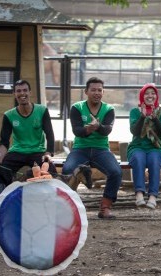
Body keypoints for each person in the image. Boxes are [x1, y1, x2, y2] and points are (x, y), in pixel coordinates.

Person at [62, 77, 122, 219]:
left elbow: (107, 130)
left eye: (99, 90)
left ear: (103, 92)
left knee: (116, 172)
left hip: (101, 150)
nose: (97, 93)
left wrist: (98, 126)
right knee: (67, 170)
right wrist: (89, 129)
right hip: (80, 149)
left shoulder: (109, 109)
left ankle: (105, 207)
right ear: (86, 92)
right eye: (93, 90)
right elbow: (77, 131)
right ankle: (69, 206)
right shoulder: (77, 108)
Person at [0, 80, 57, 195]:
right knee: (1, 172)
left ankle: (49, 199)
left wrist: (48, 153)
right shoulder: (9, 115)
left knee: (51, 170)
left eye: (25, 90)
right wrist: (0, 157)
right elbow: (4, 141)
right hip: (17, 151)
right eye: (18, 91)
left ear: (30, 92)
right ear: (14, 94)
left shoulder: (42, 110)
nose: (22, 93)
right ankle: (4, 201)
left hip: (37, 151)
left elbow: (50, 134)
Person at [127, 83, 161, 209]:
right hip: (137, 146)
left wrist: (155, 119)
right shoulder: (135, 111)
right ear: (142, 96)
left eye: (152, 93)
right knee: (138, 159)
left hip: (155, 148)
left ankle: (153, 196)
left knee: (154, 160)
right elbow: (134, 131)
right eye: (146, 93)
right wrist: (142, 117)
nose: (150, 96)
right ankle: (139, 193)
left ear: (156, 96)